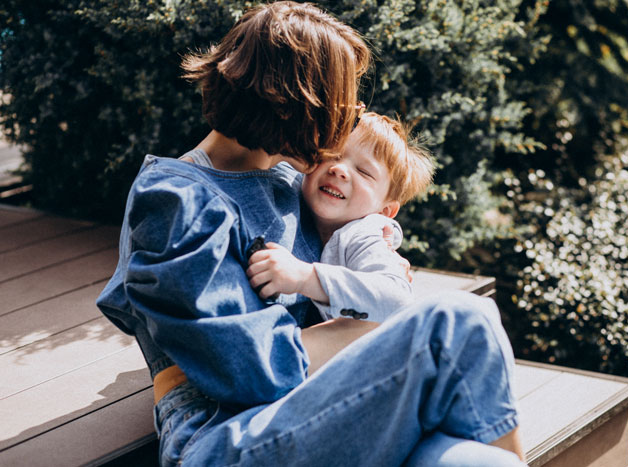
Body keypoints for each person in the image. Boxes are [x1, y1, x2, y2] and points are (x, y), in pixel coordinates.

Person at [96, 2, 527, 466]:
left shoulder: (288, 179)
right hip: (224, 435)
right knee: (462, 319)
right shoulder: (178, 201)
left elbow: (360, 240)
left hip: (316, 405)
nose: (350, 119)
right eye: (346, 105)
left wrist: (376, 273)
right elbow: (248, 369)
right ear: (295, 102)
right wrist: (377, 324)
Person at [246, 111, 435, 323]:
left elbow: (397, 300)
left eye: (364, 172)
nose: (339, 169)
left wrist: (304, 277)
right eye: (332, 154)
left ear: (384, 211)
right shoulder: (291, 187)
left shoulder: (365, 234)